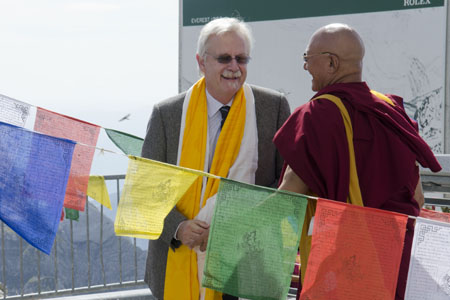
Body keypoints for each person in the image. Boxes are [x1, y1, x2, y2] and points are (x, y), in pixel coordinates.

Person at [273, 23, 442, 300]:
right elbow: (418, 199)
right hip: (397, 266)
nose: (304, 67)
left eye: (307, 58)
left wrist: (228, 226)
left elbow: (286, 200)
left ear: (331, 62)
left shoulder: (317, 116)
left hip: (342, 273)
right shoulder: (391, 111)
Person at [142, 17, 290, 300]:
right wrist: (179, 228)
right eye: (224, 58)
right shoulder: (167, 114)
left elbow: (285, 187)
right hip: (178, 258)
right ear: (201, 62)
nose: (234, 67)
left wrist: (232, 230)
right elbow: (148, 190)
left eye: (241, 58)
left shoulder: (273, 108)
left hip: (248, 264)